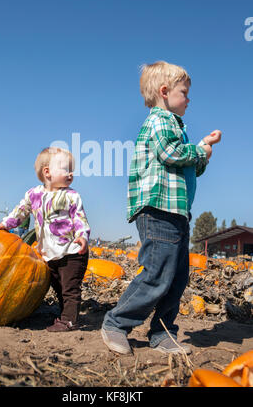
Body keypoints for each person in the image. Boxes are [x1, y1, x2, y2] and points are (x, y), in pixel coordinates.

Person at [101, 61, 222, 355]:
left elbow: (190, 167)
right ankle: (116, 323)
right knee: (157, 273)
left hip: (177, 212)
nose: (189, 99)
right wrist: (197, 150)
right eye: (185, 92)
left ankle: (163, 333)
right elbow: (170, 154)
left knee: (178, 277)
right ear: (165, 92)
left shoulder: (176, 126)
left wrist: (203, 150)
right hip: (157, 209)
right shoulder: (160, 120)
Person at [0, 147, 90, 332]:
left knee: (69, 288)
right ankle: (66, 314)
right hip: (49, 253)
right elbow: (20, 212)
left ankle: (70, 321)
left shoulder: (72, 196)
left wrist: (82, 236)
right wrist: (5, 224)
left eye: (71, 169)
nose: (70, 173)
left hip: (72, 251)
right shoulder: (33, 194)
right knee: (59, 288)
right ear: (47, 172)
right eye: (65, 169)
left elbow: (80, 219)